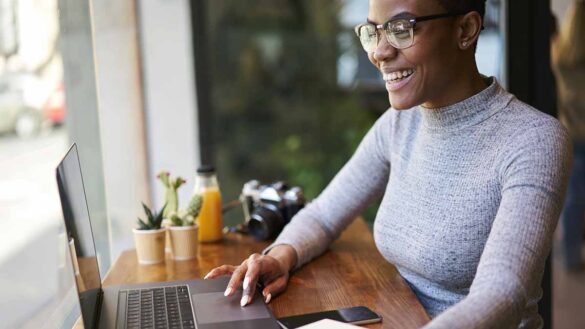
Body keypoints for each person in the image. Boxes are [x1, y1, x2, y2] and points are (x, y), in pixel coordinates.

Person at [205, 0, 572, 327]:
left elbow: (502, 293)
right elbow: (324, 214)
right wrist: (280, 256)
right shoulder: (400, 124)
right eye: (373, 31)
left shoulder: (533, 140)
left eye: (401, 29)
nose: (379, 52)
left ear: (466, 29)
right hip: (397, 314)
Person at [551, 0, 585, 271]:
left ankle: (571, 254)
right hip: (578, 133)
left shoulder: (561, 53)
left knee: (575, 197)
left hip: (572, 130)